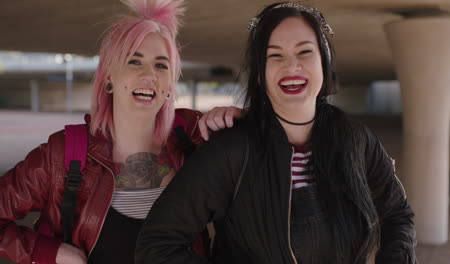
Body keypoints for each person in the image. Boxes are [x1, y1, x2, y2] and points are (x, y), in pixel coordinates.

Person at [136, 2, 417, 264]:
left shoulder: (357, 140)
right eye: (275, 55)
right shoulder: (231, 150)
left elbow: (397, 214)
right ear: (260, 74)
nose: (291, 66)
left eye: (305, 52)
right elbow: (158, 243)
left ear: (324, 62)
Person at [0, 0, 242, 263]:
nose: (149, 74)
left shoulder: (197, 138)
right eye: (134, 61)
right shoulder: (61, 155)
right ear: (108, 77)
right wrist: (48, 252)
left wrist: (244, 122)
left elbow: (270, 170)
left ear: (170, 84)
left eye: (161, 65)